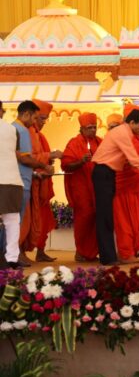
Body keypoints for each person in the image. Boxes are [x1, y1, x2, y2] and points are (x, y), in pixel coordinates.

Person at [91, 108, 139, 265]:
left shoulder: (127, 133)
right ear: (132, 122)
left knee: (107, 217)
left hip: (109, 173)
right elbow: (134, 161)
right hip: (103, 172)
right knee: (105, 217)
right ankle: (108, 258)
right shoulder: (123, 133)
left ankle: (109, 257)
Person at [21, 99, 61, 263]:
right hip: (30, 182)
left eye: (45, 119)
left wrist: (48, 161)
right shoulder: (26, 132)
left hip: (40, 184)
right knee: (26, 219)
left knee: (42, 220)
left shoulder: (39, 135)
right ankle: (20, 253)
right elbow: (28, 158)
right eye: (41, 118)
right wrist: (49, 156)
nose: (43, 122)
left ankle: (40, 251)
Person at [112, 104, 139, 263]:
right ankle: (125, 253)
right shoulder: (123, 137)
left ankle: (131, 252)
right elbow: (129, 161)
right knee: (125, 223)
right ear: (131, 122)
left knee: (138, 223)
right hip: (123, 186)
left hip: (136, 185)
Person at [12, 100, 51, 266]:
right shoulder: (22, 130)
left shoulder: (14, 128)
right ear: (26, 114)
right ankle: (15, 255)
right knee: (18, 222)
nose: (35, 122)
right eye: (35, 118)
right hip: (21, 183)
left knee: (14, 221)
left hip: (21, 180)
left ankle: (13, 255)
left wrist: (35, 173)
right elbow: (25, 159)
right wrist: (44, 165)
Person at [62, 112, 101, 262]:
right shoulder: (74, 143)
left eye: (94, 127)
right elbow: (66, 165)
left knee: (96, 219)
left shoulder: (100, 142)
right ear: (82, 129)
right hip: (81, 188)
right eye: (89, 127)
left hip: (98, 188)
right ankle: (80, 252)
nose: (93, 130)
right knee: (84, 219)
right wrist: (81, 161)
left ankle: (91, 253)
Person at [0, 101, 25, 269]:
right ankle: (12, 259)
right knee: (12, 220)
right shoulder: (12, 129)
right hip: (12, 179)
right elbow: (15, 152)